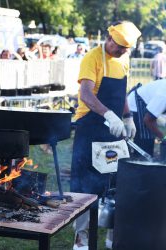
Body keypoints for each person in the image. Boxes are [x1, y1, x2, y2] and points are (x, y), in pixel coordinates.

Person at [70, 21, 141, 250]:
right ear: (110, 38)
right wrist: (109, 115)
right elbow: (86, 95)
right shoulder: (93, 57)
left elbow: (122, 93)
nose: (122, 51)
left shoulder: (124, 59)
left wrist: (127, 117)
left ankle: (113, 239)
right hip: (90, 129)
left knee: (115, 183)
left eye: (126, 49)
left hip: (115, 132)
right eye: (120, 47)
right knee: (85, 187)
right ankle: (81, 240)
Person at [127, 79, 166, 156]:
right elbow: (148, 120)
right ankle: (139, 166)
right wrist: (163, 137)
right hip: (135, 105)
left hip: (149, 106)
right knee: (145, 143)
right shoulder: (164, 96)